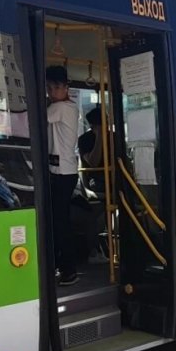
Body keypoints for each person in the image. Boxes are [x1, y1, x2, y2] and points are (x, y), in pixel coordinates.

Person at [46, 65, 80, 286]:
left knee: (60, 223)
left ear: (66, 87)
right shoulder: (67, 106)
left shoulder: (61, 108)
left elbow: (32, 121)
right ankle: (62, 265)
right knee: (59, 221)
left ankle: (68, 269)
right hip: (63, 172)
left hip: (62, 173)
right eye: (49, 88)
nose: (52, 92)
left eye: (56, 87)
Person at [76, 107, 109, 264]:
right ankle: (94, 251)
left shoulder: (115, 137)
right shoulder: (85, 140)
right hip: (97, 182)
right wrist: (99, 138)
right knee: (93, 215)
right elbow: (93, 161)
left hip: (115, 181)